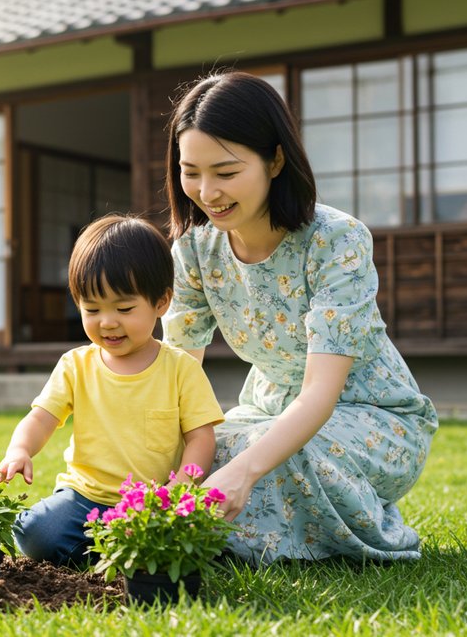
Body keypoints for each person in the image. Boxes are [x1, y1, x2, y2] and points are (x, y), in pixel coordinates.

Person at [161, 71, 439, 565]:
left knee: (276, 459)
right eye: (190, 171)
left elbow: (319, 394)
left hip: (373, 419)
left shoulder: (337, 241)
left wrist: (244, 471)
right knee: (195, 452)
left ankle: (353, 523)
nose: (206, 192)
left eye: (226, 173)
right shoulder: (194, 249)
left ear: (275, 160)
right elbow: (176, 372)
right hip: (263, 413)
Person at [0, 214, 226, 567]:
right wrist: (19, 449)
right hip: (84, 498)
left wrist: (177, 490)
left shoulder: (180, 368)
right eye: (92, 309)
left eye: (124, 308)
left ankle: (115, 549)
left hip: (150, 502)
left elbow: (201, 438)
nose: (108, 322)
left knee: (189, 544)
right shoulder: (76, 365)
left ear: (161, 303)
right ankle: (109, 549)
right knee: (35, 533)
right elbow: (41, 417)